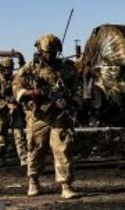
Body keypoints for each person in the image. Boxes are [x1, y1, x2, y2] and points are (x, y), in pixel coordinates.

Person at [14, 34, 81, 199]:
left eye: (53, 52)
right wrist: (33, 93)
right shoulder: (31, 68)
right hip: (38, 115)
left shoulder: (65, 68)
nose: (49, 55)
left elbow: (77, 89)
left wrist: (71, 102)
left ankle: (65, 185)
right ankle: (33, 181)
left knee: (63, 148)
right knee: (36, 148)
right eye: (46, 52)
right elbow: (17, 88)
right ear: (39, 50)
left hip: (60, 115)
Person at [0, 57, 28, 165]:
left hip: (14, 111)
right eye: (6, 69)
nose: (8, 71)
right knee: (1, 136)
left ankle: (24, 159)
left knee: (19, 135)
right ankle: (1, 157)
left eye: (10, 68)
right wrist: (5, 104)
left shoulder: (15, 80)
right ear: (1, 69)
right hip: (1, 113)